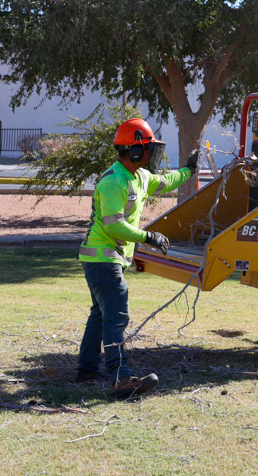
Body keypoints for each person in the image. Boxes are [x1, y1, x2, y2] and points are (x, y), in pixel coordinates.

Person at [76, 118, 199, 399]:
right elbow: (114, 226)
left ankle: (86, 370)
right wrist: (148, 237)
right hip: (102, 258)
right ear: (133, 152)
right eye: (148, 149)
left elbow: (167, 182)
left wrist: (189, 170)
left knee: (100, 314)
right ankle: (120, 378)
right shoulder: (113, 181)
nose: (152, 154)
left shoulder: (140, 176)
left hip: (107, 258)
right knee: (116, 314)